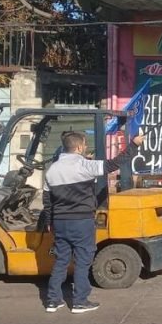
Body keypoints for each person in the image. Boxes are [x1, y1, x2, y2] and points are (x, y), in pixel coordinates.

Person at [43, 131, 143, 314]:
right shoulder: (86, 165)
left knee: (61, 261)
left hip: (59, 222)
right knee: (82, 261)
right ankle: (80, 301)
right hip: (81, 221)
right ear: (79, 147)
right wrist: (134, 144)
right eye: (85, 145)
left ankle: (52, 300)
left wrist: (50, 222)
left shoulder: (52, 170)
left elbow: (47, 201)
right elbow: (114, 164)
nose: (87, 149)